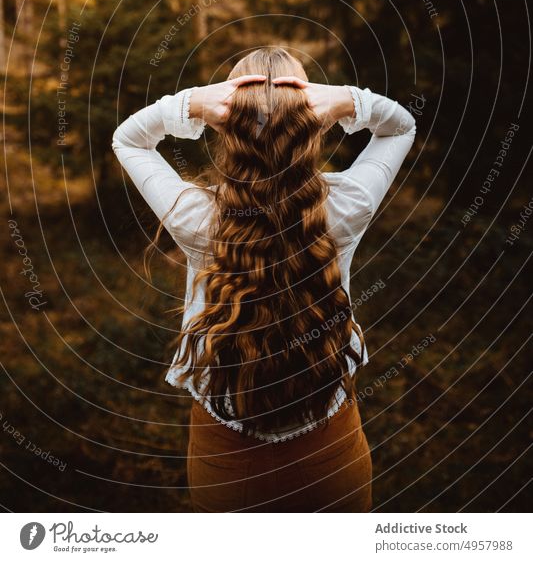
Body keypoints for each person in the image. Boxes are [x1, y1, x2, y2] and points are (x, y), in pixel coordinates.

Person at [111, 46, 417, 511]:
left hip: (224, 451)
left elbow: (128, 140)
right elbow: (402, 125)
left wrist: (191, 103)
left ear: (226, 122)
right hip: (330, 443)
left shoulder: (197, 216)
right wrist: (345, 101)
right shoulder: (348, 203)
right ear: (310, 117)